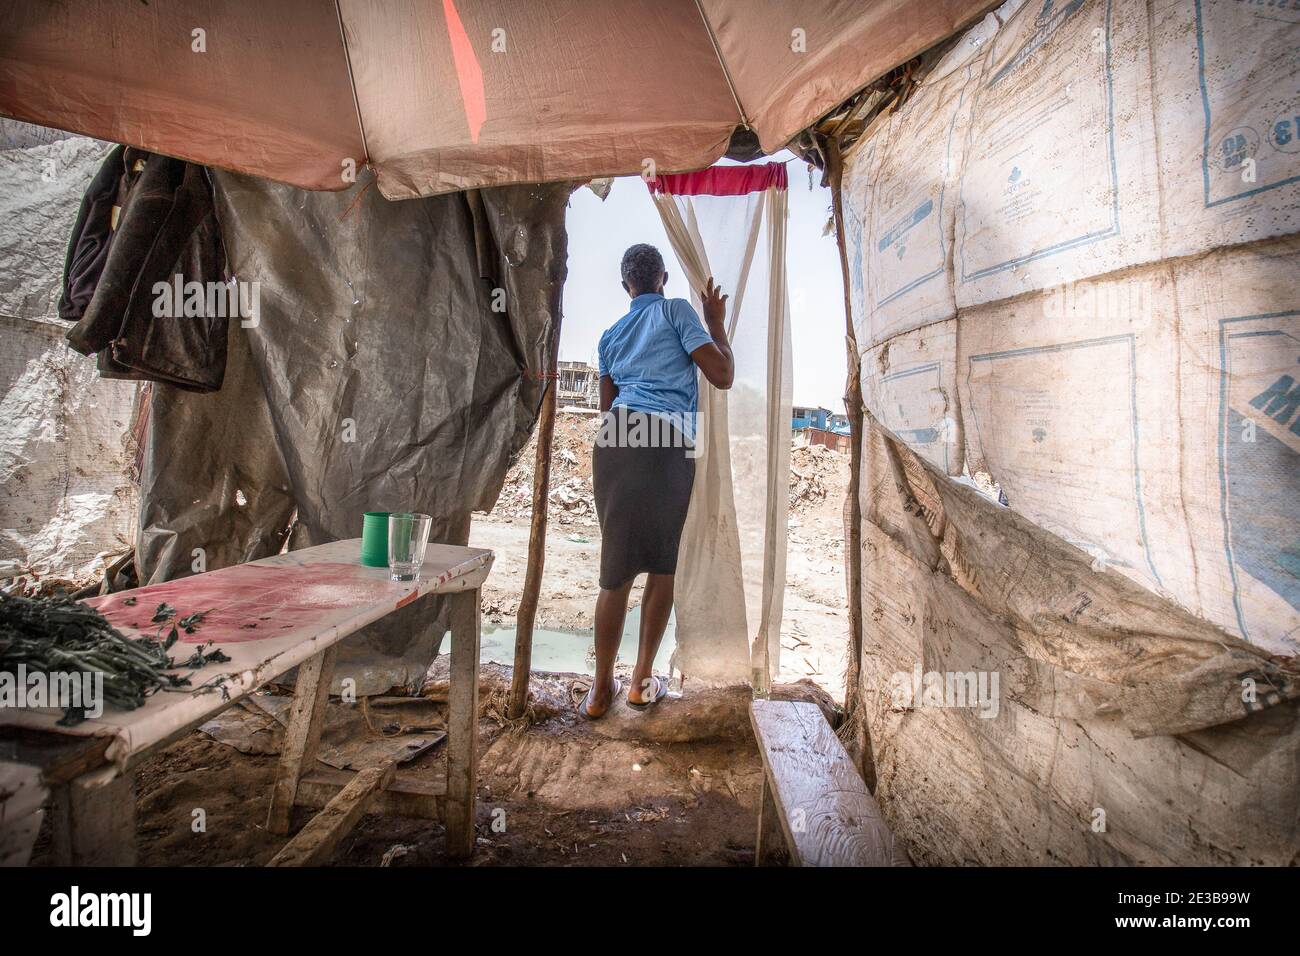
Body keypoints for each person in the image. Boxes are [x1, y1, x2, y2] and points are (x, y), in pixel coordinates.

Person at [576, 243, 734, 719]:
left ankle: (600, 691)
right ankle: (642, 684)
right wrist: (716, 323)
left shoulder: (610, 335)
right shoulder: (675, 311)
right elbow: (722, 374)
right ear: (663, 277)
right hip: (665, 442)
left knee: (615, 573)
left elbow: (607, 406)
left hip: (616, 441)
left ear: (627, 285)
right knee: (663, 567)